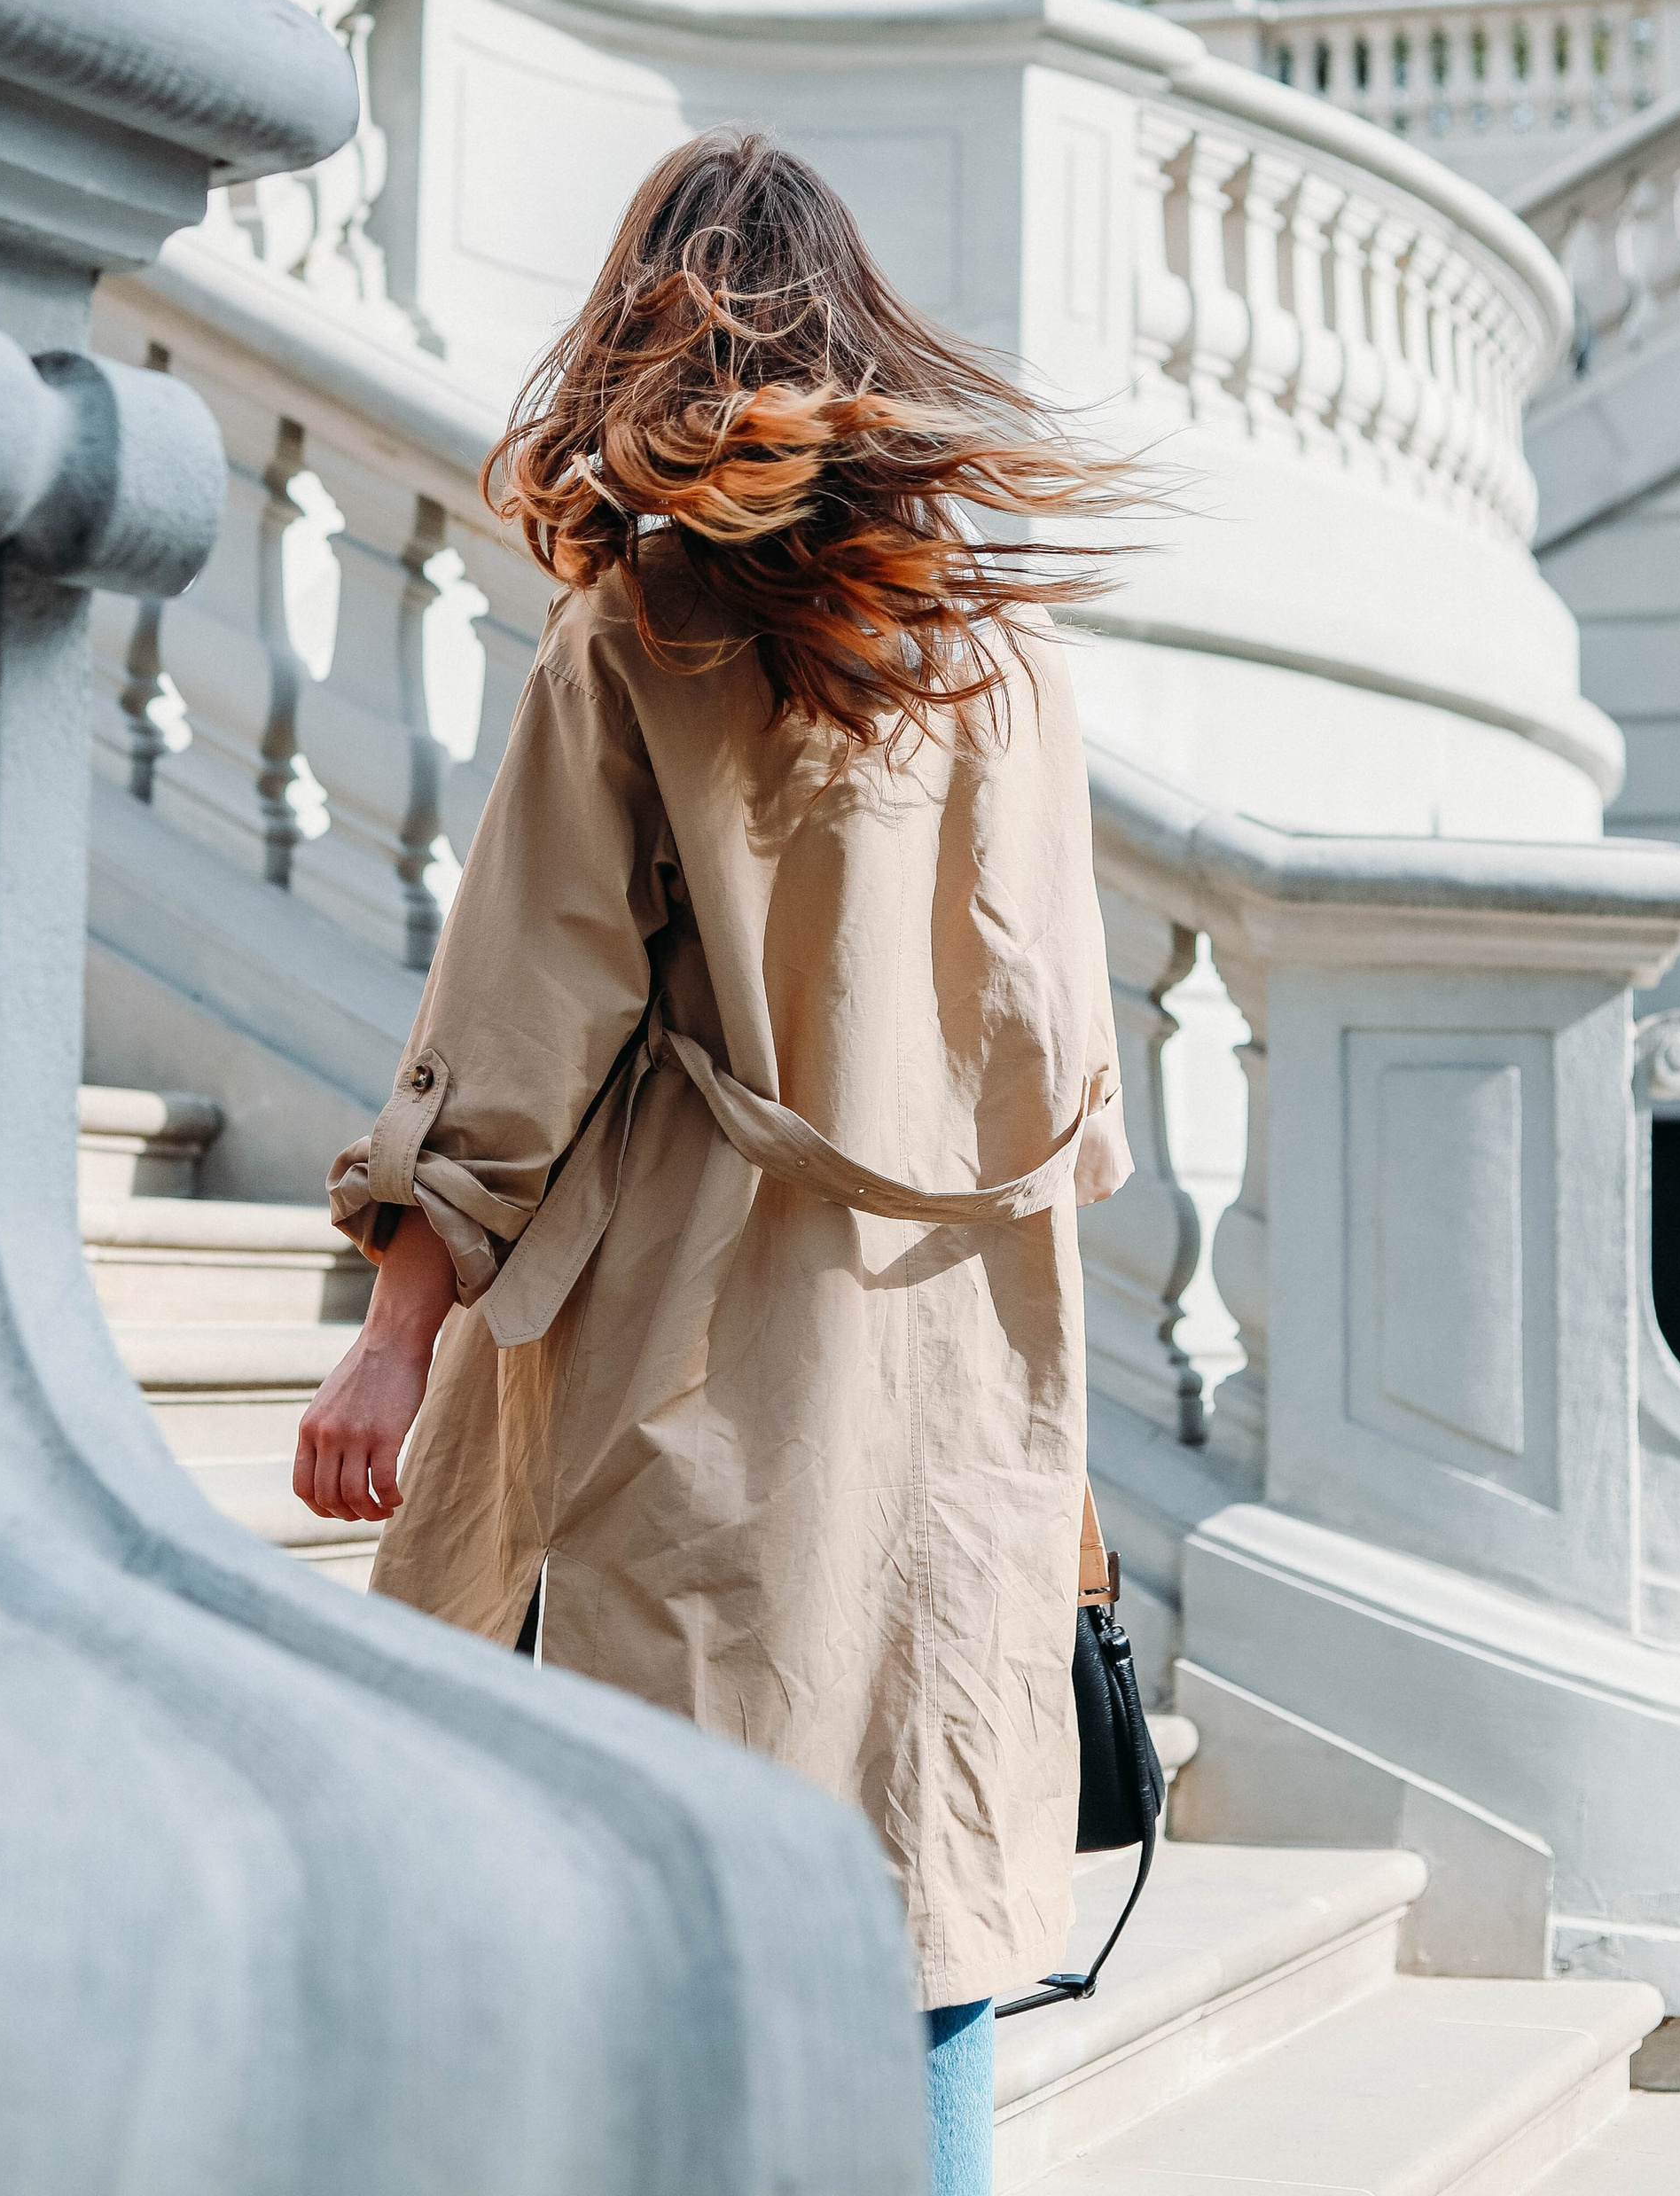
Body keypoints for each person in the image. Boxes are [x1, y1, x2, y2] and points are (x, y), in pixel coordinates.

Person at [296, 127, 1135, 2196]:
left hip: (691, 1345)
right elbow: (1061, 1068)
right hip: (948, 1372)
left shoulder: (641, 631)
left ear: (641, 324)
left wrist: (390, 1342)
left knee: (639, 1891)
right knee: (913, 1900)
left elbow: (513, 1025)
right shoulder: (1006, 663)